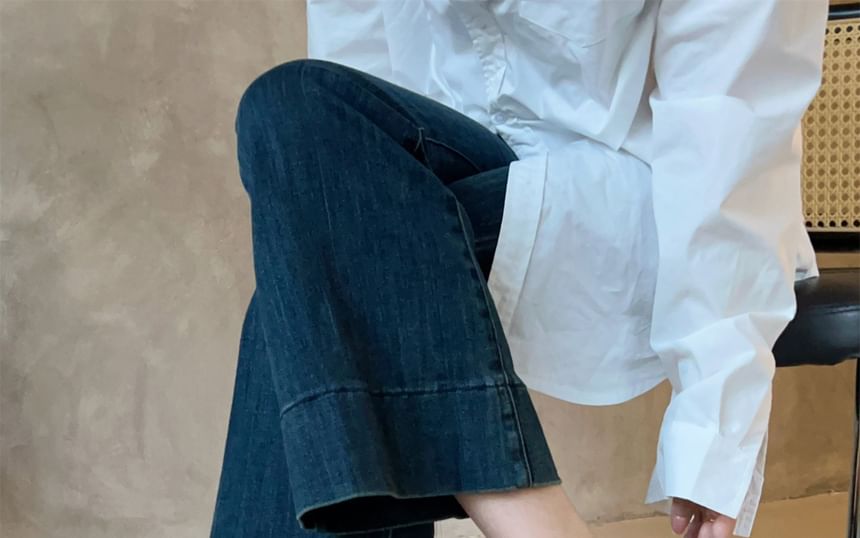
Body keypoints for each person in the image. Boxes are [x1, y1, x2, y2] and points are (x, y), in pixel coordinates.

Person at [209, 1, 829, 537]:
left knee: (296, 308)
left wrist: (715, 423)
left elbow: (728, 133)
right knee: (294, 110)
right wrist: (353, 234)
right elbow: (347, 105)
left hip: (645, 192)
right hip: (452, 175)